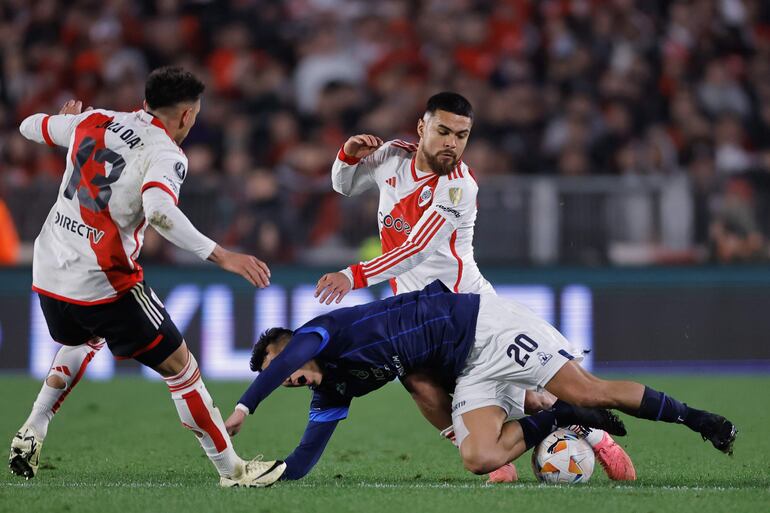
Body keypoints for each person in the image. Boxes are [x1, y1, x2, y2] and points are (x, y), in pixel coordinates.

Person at [314, 91, 635, 481]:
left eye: (462, 135)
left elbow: (415, 249)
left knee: (528, 398)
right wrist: (347, 155)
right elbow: (343, 187)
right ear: (422, 127)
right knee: (420, 386)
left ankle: (595, 434)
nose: (452, 143)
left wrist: (353, 275)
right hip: (412, 310)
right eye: (444, 131)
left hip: (468, 309)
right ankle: (495, 461)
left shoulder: (459, 186)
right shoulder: (391, 157)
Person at [8, 66, 285, 488]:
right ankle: (233, 470)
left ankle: (34, 424)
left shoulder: (93, 119)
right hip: (105, 282)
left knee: (82, 339)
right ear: (187, 115)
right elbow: (158, 212)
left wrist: (64, 120)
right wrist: (221, 254)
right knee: (182, 368)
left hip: (48, 272)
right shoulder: (165, 153)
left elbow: (29, 126)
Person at [224, 280, 736, 481]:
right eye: (283, 378)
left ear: (291, 344)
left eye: (279, 364)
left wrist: (245, 408)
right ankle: (564, 417)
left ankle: (698, 419)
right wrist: (274, 474)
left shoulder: (322, 333)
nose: (287, 376)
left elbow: (291, 358)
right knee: (478, 458)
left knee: (590, 388)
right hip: (467, 370)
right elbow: (308, 453)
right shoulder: (332, 386)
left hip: (486, 328)